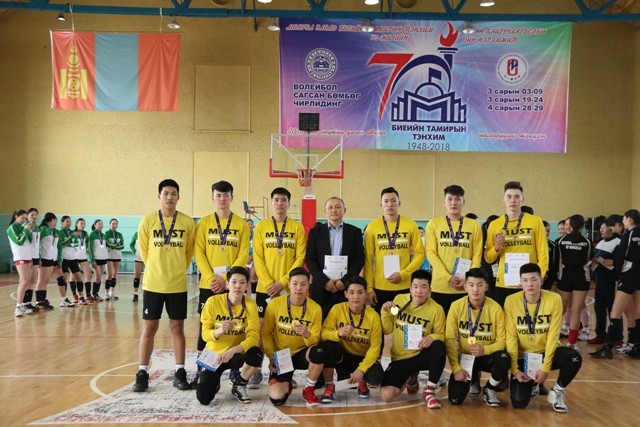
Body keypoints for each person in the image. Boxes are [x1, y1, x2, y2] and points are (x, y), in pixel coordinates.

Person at [132, 179, 196, 393]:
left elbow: (189, 252)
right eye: (166, 193)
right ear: (159, 196)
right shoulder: (148, 221)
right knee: (149, 328)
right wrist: (156, 268)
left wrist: (176, 269)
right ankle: (142, 372)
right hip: (153, 284)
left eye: (173, 193)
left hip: (177, 284)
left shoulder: (187, 222)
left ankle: (179, 371)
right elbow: (144, 251)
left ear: (179, 197)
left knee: (177, 328)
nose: (169, 197)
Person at [192, 180, 250, 387]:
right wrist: (211, 279)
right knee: (206, 327)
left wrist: (226, 279)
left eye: (226, 195)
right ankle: (202, 370)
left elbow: (243, 254)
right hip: (209, 285)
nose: (222, 199)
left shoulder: (241, 224)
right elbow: (199, 253)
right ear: (212, 197)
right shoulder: (204, 223)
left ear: (232, 197)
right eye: (218, 195)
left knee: (237, 325)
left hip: (232, 285)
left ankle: (234, 370)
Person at [504, 263, 582, 413]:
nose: (530, 284)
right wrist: (514, 369)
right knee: (518, 403)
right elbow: (511, 337)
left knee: (573, 357)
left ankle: (557, 391)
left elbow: (553, 335)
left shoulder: (554, 299)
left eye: (534, 279)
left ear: (542, 280)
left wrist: (545, 368)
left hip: (546, 352)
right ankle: (533, 383)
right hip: (523, 356)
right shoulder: (511, 301)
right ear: (520, 283)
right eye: (525, 280)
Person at [251, 187, 307, 388]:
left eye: (284, 200)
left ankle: (283, 370)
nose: (280, 203)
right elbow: (258, 258)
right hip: (264, 290)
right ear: (272, 202)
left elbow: (300, 257)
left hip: (288, 290)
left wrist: (282, 283)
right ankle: (256, 370)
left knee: (284, 331)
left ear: (289, 203)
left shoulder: (297, 228)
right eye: (276, 199)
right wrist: (268, 284)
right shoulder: (262, 227)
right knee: (261, 330)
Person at [380, 270, 446, 409]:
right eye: (415, 286)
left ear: (430, 290)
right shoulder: (399, 300)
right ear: (410, 288)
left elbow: (441, 334)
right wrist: (385, 313)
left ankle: (429, 390)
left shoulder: (437, 309)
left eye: (423, 287)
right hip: (401, 357)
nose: (418, 291)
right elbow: (387, 330)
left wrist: (431, 337)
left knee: (439, 346)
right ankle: (411, 378)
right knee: (387, 395)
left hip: (421, 354)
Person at [196, 266, 263, 405]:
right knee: (204, 398)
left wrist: (233, 351)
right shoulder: (212, 302)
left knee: (256, 353)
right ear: (227, 284)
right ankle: (214, 383)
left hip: (235, 353)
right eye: (234, 282)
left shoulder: (251, 305)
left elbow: (253, 337)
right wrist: (219, 331)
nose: (238, 286)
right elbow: (204, 334)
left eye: (242, 282)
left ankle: (239, 385)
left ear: (247, 286)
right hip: (215, 355)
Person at [446, 268, 510, 407]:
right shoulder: (456, 306)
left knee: (504, 358)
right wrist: (456, 368)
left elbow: (502, 341)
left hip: (487, 356)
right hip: (466, 357)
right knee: (455, 399)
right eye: (471, 285)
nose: (475, 289)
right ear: (465, 286)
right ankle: (474, 379)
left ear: (486, 287)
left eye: (480, 285)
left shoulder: (496, 308)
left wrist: (485, 349)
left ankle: (489, 388)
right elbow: (449, 340)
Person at [262, 267, 325, 407]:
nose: (298, 288)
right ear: (289, 285)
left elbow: (315, 341)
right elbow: (266, 333)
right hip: (282, 356)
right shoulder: (275, 304)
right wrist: (271, 357)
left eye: (303, 284)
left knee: (319, 352)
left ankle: (308, 389)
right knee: (277, 398)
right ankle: (287, 383)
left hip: (302, 354)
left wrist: (307, 334)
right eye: (295, 284)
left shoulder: (316, 308)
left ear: (308, 285)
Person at [320, 276, 384, 403]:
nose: (356, 297)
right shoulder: (337, 309)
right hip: (343, 356)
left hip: (362, 357)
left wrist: (362, 369)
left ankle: (362, 381)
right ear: (346, 294)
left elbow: (375, 347)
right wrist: (338, 333)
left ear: (366, 294)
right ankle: (329, 386)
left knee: (376, 377)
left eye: (360, 292)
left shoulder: (374, 316)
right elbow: (323, 333)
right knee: (328, 346)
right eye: (352, 292)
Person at [484, 181, 549, 307]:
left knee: (527, 317)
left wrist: (539, 277)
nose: (512, 200)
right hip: (504, 283)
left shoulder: (535, 221)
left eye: (516, 196)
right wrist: (496, 247)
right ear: (503, 199)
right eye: (509, 196)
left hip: (529, 283)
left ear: (522, 199)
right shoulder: (495, 224)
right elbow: (489, 258)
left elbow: (543, 254)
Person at [364, 187, 424, 312]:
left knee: (401, 320)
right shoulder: (372, 227)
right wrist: (369, 288)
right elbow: (368, 259)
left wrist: (403, 274)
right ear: (381, 204)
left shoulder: (410, 225)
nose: (390, 204)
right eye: (386, 201)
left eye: (393, 200)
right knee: (383, 321)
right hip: (380, 287)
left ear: (399, 203)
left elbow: (420, 254)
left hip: (404, 285)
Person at [426, 185, 483, 315]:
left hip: (465, 287)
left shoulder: (474, 225)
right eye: (450, 199)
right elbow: (430, 253)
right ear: (444, 202)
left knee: (464, 323)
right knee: (440, 324)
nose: (453, 203)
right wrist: (447, 277)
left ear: (463, 201)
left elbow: (477, 254)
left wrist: (469, 279)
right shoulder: (434, 224)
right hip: (440, 287)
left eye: (457, 199)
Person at [590, 209, 640, 359]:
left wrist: (617, 275)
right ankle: (634, 345)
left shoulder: (628, 235)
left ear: (629, 220)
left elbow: (620, 258)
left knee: (615, 312)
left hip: (628, 275)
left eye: (623, 219)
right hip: (637, 276)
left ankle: (608, 347)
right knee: (635, 312)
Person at [306, 197, 365, 319]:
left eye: (338, 207)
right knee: (319, 323)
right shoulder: (315, 233)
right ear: (325, 211)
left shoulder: (355, 232)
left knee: (344, 322)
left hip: (345, 288)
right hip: (321, 288)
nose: (334, 210)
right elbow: (310, 259)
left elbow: (359, 259)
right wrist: (324, 282)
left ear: (344, 210)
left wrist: (344, 281)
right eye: (330, 207)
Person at [553, 214, 592, 350]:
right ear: (582, 226)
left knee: (560, 310)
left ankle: (552, 340)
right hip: (582, 278)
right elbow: (588, 260)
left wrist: (554, 280)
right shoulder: (587, 242)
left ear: (570, 226)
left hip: (565, 278)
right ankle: (572, 343)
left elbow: (556, 262)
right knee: (576, 310)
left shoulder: (561, 241)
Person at [589, 216, 622, 345]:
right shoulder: (601, 242)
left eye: (604, 228)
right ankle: (600, 335)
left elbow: (620, 261)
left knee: (613, 309)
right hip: (600, 279)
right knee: (599, 308)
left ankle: (617, 337)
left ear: (611, 229)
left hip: (611, 279)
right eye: (601, 228)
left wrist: (612, 262)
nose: (601, 230)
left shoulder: (618, 242)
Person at [7, 210, 35, 317]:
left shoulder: (22, 227)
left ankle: (23, 305)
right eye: (22, 218)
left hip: (28, 257)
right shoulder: (12, 228)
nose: (24, 220)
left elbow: (29, 240)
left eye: (25, 218)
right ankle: (18, 307)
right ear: (16, 217)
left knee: (27, 282)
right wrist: (26, 229)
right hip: (20, 257)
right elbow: (19, 241)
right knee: (24, 282)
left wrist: (29, 229)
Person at [34, 212, 59, 311]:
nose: (55, 223)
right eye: (55, 220)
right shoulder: (43, 229)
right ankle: (38, 302)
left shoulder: (50, 230)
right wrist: (39, 257)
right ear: (52, 220)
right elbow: (37, 243)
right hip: (43, 257)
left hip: (50, 258)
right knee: (41, 280)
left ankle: (43, 300)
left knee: (46, 280)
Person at [59, 215, 82, 307]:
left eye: (70, 221)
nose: (69, 223)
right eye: (67, 221)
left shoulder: (72, 232)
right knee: (64, 279)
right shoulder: (60, 232)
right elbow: (62, 244)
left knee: (79, 278)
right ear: (62, 222)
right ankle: (63, 299)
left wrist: (70, 242)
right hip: (64, 258)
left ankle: (81, 297)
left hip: (73, 258)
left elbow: (75, 243)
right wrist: (70, 238)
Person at [74, 218, 98, 303]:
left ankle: (88, 294)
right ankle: (75, 295)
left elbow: (88, 243)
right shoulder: (73, 233)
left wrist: (88, 249)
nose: (83, 225)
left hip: (83, 257)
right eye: (81, 223)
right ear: (77, 224)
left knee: (89, 275)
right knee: (75, 277)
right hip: (74, 258)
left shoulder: (85, 233)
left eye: (84, 223)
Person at [23, 208, 40, 312]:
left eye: (36, 215)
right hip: (28, 256)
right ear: (27, 216)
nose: (34, 216)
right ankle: (24, 303)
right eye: (32, 214)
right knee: (27, 280)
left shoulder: (37, 228)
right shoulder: (25, 226)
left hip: (36, 256)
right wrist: (29, 227)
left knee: (33, 280)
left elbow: (37, 244)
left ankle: (28, 302)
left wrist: (39, 257)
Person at [88, 219, 108, 301]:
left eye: (102, 224)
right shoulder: (92, 234)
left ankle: (96, 294)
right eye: (99, 224)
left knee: (99, 277)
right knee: (98, 276)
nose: (101, 225)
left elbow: (106, 246)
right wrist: (92, 260)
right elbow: (90, 248)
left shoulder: (103, 235)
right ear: (95, 225)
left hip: (103, 258)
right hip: (96, 259)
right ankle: (94, 294)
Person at [105, 218, 124, 300]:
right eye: (113, 223)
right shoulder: (106, 233)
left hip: (117, 256)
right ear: (110, 224)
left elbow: (122, 246)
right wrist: (117, 245)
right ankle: (106, 293)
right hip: (109, 256)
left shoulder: (119, 234)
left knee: (114, 275)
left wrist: (114, 246)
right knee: (109, 275)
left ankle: (112, 292)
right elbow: (108, 244)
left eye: (116, 224)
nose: (114, 225)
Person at [129, 231, 144, 302]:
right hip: (138, 257)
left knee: (148, 276)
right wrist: (135, 252)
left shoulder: (150, 232)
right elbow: (131, 245)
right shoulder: (136, 234)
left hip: (148, 257)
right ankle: (135, 294)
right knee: (137, 276)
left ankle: (147, 293)